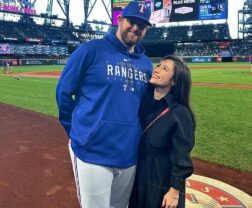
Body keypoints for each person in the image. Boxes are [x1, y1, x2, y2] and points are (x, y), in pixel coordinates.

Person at [56, 2, 152, 208]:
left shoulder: (146, 65)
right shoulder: (90, 50)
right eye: (132, 21)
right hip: (92, 151)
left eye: (142, 25)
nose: (135, 28)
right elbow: (64, 93)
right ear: (120, 20)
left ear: (146, 30)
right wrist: (75, 131)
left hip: (128, 153)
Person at [129, 55, 196, 208]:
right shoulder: (142, 102)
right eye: (158, 65)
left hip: (160, 179)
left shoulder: (180, 113)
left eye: (164, 68)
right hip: (138, 172)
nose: (157, 70)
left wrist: (174, 191)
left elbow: (181, 155)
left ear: (174, 81)